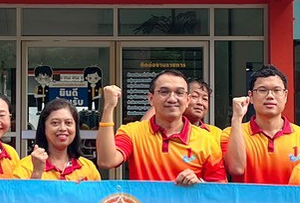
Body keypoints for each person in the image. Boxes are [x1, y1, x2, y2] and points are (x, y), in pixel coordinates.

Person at [95, 72, 226, 184]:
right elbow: (107, 161)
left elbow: (221, 189)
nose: (172, 99)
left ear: (187, 100)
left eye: (179, 93)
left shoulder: (207, 140)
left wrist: (200, 183)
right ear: (151, 98)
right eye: (164, 92)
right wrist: (108, 107)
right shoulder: (132, 132)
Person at [225, 65, 300, 184]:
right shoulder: (232, 133)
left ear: (285, 96)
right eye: (262, 90)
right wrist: (237, 119)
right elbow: (236, 169)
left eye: (276, 90)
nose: (270, 96)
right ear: (251, 96)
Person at [19, 98, 102, 181]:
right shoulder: (24, 167)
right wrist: (37, 173)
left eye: (68, 123)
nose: (63, 128)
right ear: (43, 127)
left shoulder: (88, 168)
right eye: (55, 123)